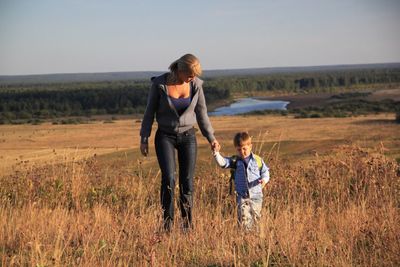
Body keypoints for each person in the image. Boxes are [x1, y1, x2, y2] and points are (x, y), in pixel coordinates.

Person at [140, 53, 220, 231]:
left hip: (188, 136)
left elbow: (202, 114)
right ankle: (167, 225)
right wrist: (144, 137)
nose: (193, 78)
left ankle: (187, 226)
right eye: (190, 74)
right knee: (169, 179)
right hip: (165, 136)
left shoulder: (196, 85)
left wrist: (211, 138)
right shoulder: (159, 84)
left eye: (195, 75)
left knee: (187, 182)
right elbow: (149, 112)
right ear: (180, 70)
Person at [213, 132, 270, 230]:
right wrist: (216, 153)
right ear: (236, 149)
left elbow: (265, 172)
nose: (242, 152)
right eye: (239, 149)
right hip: (242, 197)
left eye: (244, 149)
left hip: (256, 196)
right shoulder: (235, 161)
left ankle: (256, 240)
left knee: (257, 220)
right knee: (244, 221)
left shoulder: (257, 160)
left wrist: (264, 180)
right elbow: (222, 163)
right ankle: (246, 239)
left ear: (250, 147)